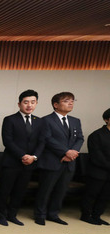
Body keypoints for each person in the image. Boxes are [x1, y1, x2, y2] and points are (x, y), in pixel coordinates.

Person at [0, 90, 47, 226]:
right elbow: (8, 141)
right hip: (11, 162)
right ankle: (0, 215)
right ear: (19, 104)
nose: (29, 105)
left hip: (29, 164)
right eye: (26, 102)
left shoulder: (40, 122)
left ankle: (12, 215)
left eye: (32, 102)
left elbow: (42, 142)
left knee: (20, 191)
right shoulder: (10, 119)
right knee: (5, 190)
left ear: (36, 103)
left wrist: (34, 157)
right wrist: (23, 155)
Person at [34, 92, 84, 225]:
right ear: (56, 105)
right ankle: (40, 214)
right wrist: (65, 152)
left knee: (61, 190)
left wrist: (73, 152)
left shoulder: (75, 121)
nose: (71, 103)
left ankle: (53, 214)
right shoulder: (45, 120)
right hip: (51, 161)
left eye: (72, 101)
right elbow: (47, 139)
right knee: (45, 190)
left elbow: (80, 138)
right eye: (66, 101)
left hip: (69, 162)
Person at [80, 108, 110, 225]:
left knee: (105, 196)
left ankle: (97, 215)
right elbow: (97, 156)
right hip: (98, 171)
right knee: (91, 194)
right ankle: (86, 215)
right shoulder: (96, 135)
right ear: (106, 119)